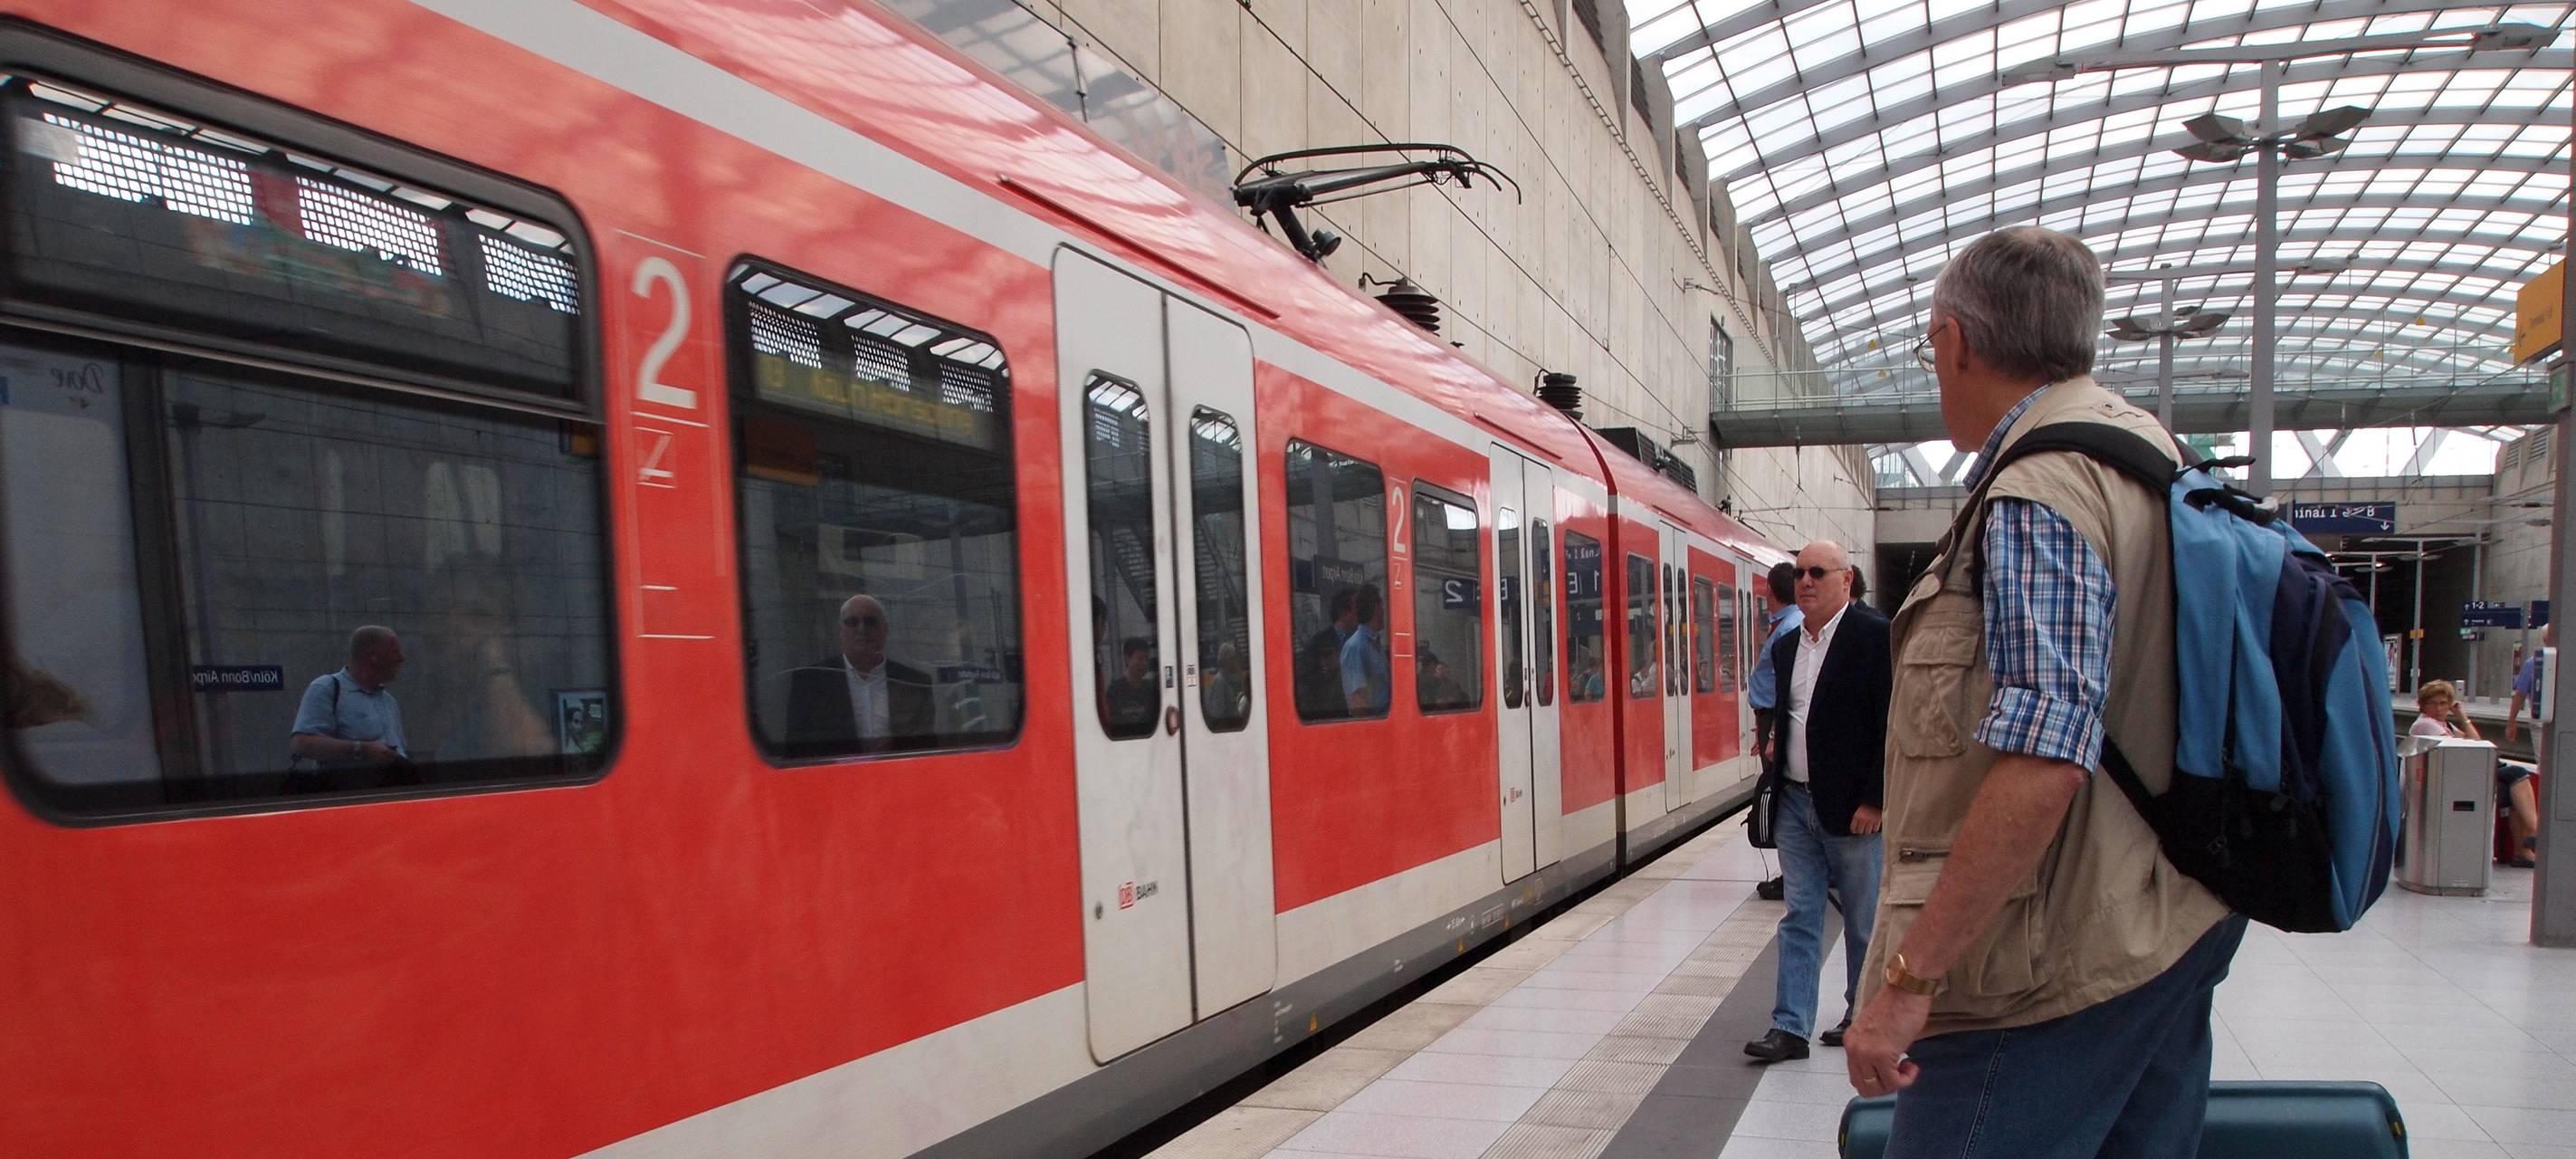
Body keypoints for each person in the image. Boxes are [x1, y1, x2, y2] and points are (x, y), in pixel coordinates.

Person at [1845, 226, 2245, 1158]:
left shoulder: (2041, 491)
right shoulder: (2154, 458)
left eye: (1930, 349)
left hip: (2042, 965)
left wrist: (1909, 978)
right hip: (2160, 924)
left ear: (1955, 342)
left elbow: (2044, 760)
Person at [1745, 541, 1890, 1064]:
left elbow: (1891, 724)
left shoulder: (1875, 636)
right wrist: (1775, 745)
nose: (1805, 581)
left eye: (1818, 573)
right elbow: (1790, 710)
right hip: (1794, 802)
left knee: (1862, 919)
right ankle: (1790, 1027)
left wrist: (1876, 799)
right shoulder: (1788, 646)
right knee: (1800, 915)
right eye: (1801, 573)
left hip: (1853, 810)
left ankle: (1861, 1014)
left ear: (1846, 580)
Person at [784, 594, 936, 753]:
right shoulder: (809, 683)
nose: (861, 629)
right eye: (852, 622)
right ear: (840, 630)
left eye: (870, 621)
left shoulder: (915, 683)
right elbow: (796, 749)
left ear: (885, 629)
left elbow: (925, 748)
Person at [2416, 679, 2540, 867]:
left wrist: (2461, 716)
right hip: (2456, 778)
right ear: (2423, 705)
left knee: (2511, 784)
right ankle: (2535, 832)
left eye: (2443, 703)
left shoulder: (2443, 724)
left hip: (2464, 773)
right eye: (2433, 704)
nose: (2439, 708)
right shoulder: (2427, 724)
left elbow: (2477, 742)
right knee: (2516, 774)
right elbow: (2472, 748)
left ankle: (2522, 851)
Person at [1746, 560, 1805, 901]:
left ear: (1769, 590)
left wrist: (1773, 734)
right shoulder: (1788, 624)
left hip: (1775, 718)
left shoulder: (1789, 627)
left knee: (1782, 797)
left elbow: (1788, 686)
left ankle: (1791, 874)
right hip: (1770, 718)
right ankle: (1790, 872)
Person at [289, 626, 410, 771]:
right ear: (372, 656)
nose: (401, 659)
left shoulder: (388, 701)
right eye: (394, 652)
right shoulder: (326, 688)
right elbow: (301, 744)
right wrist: (362, 750)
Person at [1298, 589, 1359, 716]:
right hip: (1328, 713)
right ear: (1343, 613)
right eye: (1357, 610)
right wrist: (1331, 671)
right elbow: (1304, 680)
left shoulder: (1356, 641)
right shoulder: (1319, 643)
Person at [1340, 586, 1390, 714]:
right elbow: (1357, 701)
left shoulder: (1375, 643)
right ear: (1376, 610)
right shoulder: (1355, 647)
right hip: (1377, 720)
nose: (1384, 612)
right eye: (1382, 607)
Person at [1104, 637, 1159, 735]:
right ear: (1127, 659)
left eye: (1146, 659)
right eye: (1140, 658)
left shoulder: (1151, 689)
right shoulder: (1115, 691)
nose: (1144, 663)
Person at [1203, 639, 1250, 724]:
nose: (1238, 662)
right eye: (1235, 658)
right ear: (1229, 660)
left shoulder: (1230, 679)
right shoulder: (1220, 682)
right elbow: (1218, 714)